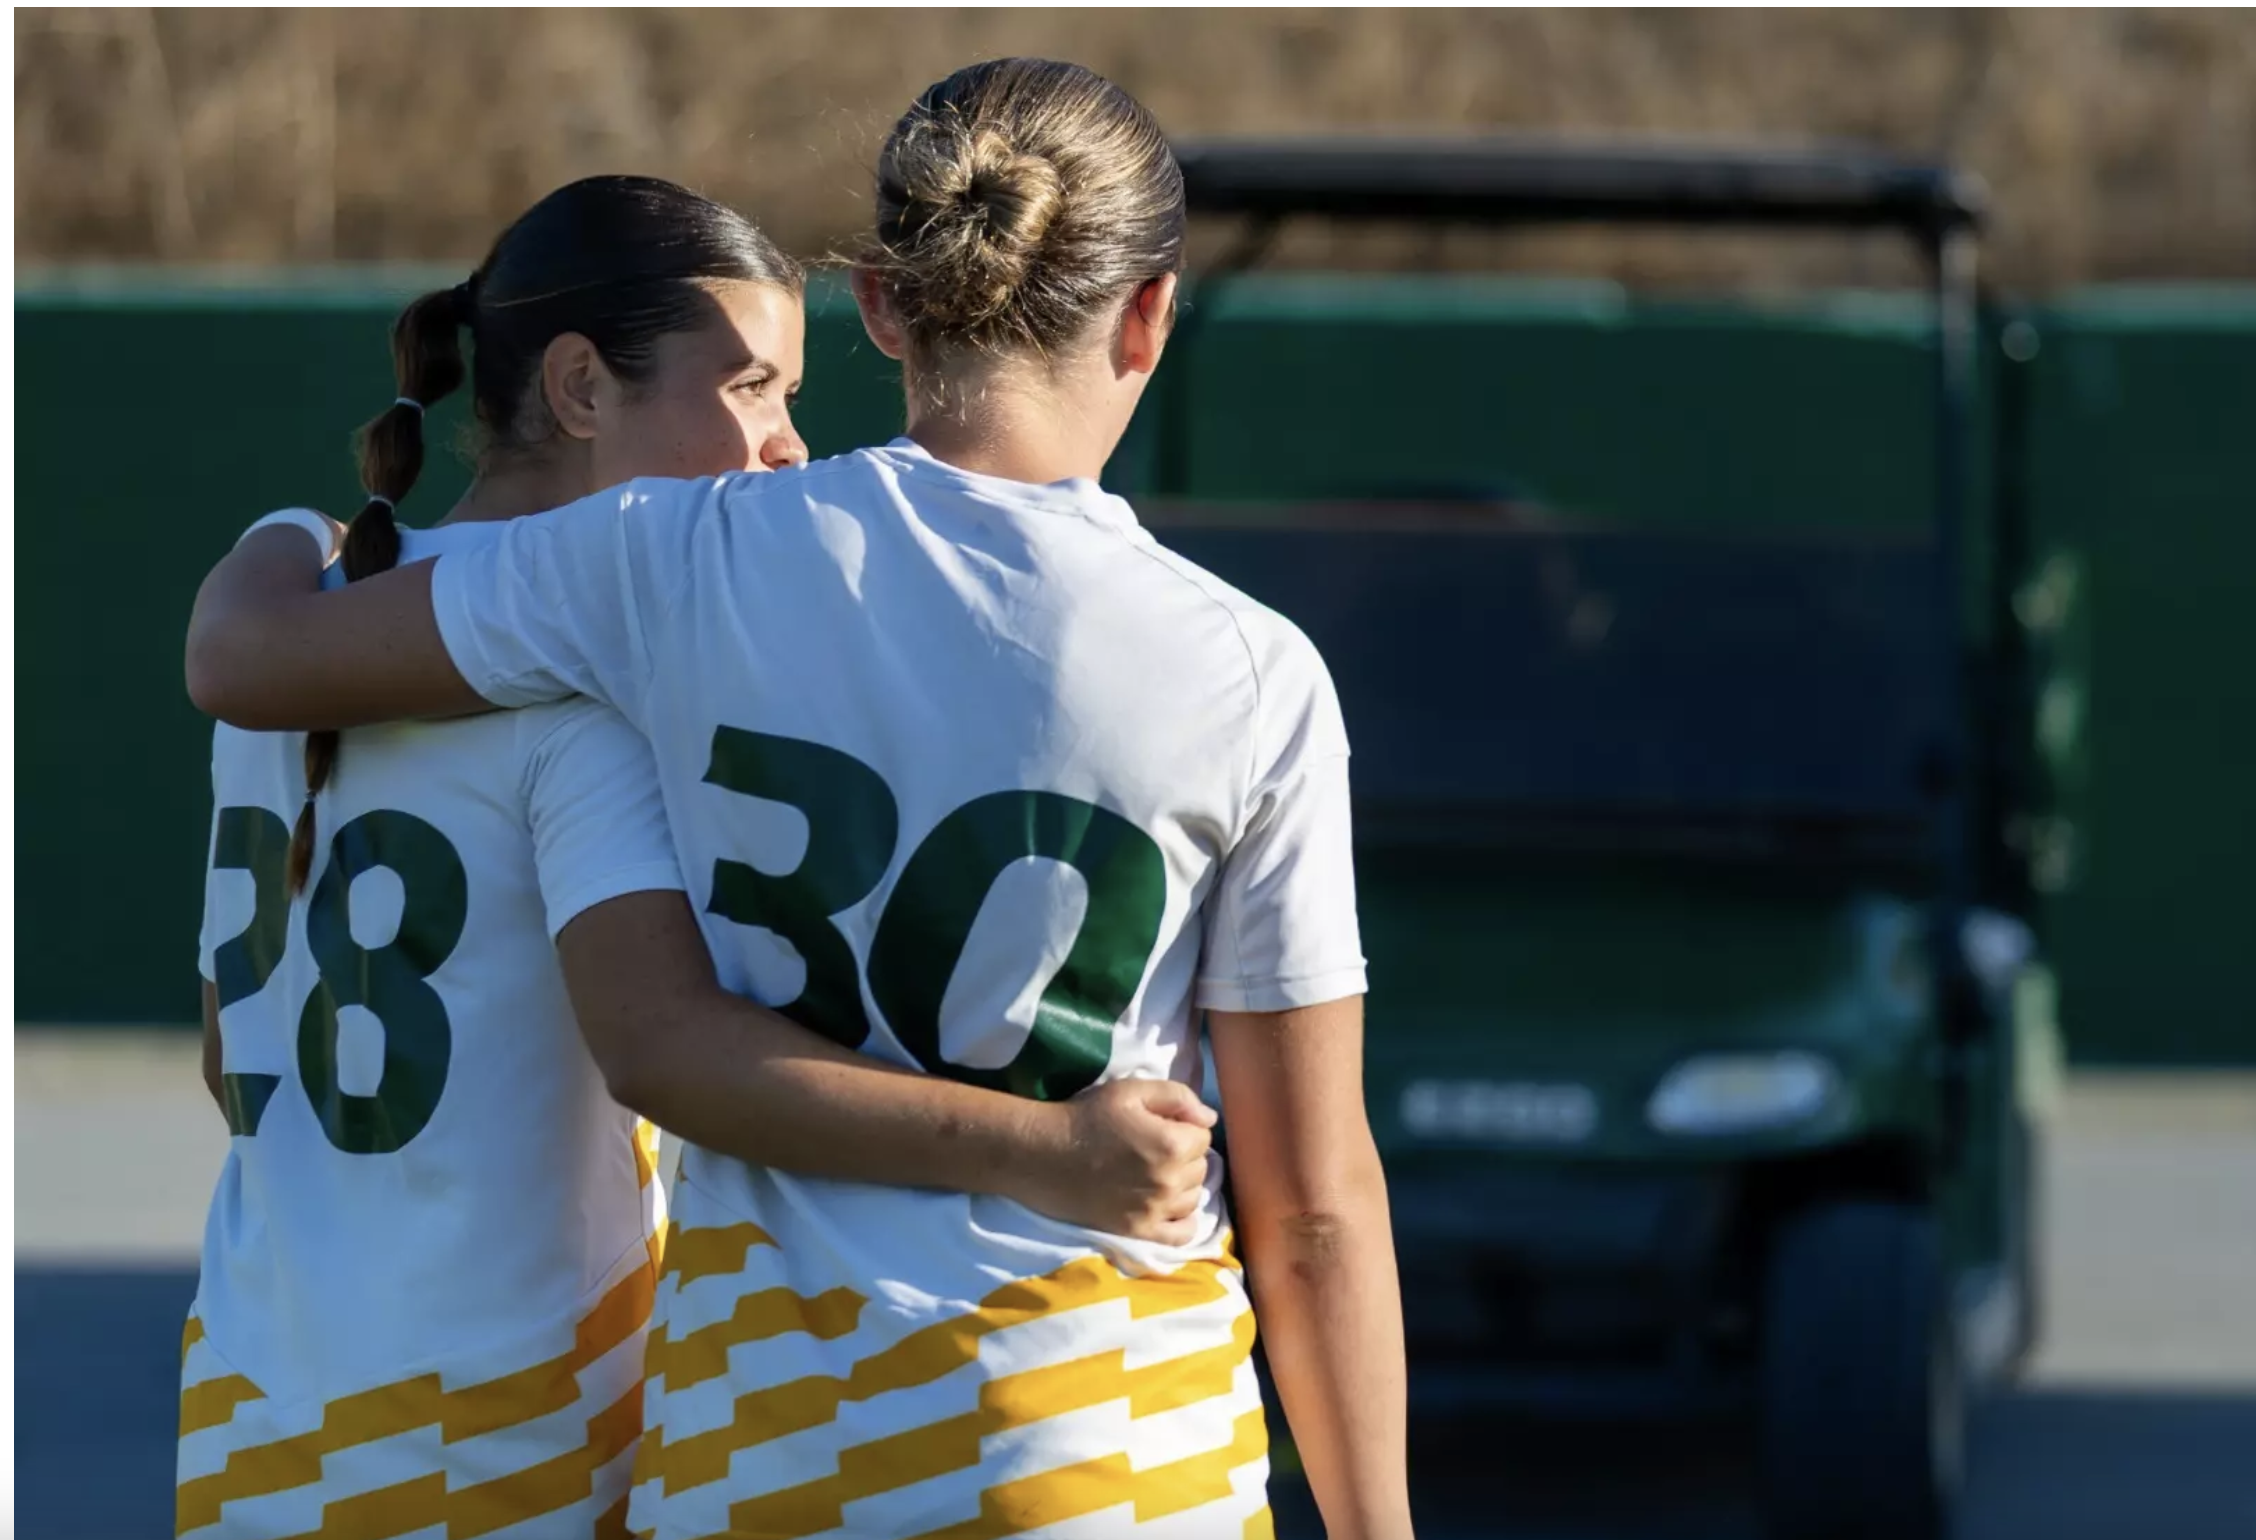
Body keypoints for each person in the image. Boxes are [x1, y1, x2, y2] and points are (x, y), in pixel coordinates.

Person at [187, 59, 1411, 1540]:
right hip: (1095, 1436)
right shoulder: (1250, 670)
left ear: (883, 303)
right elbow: (1319, 1207)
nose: (778, 430)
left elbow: (257, 660)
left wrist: (286, 532)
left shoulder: (667, 565)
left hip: (724, 1443)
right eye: (755, 389)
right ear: (1149, 312)